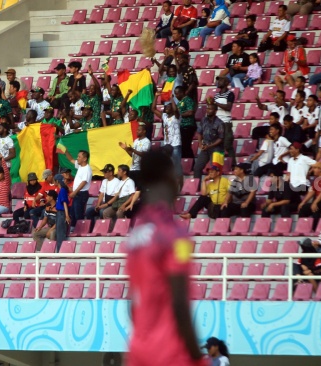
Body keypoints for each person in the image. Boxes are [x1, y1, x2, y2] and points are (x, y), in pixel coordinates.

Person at [125, 150, 203, 366]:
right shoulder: (178, 236)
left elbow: (131, 304)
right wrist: (197, 357)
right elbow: (179, 304)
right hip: (170, 353)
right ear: (171, 177)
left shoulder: (135, 235)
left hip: (138, 351)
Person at [152, 95, 182, 185]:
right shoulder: (164, 116)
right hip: (167, 144)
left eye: (169, 106)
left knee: (176, 165)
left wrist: (172, 99)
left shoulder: (177, 116)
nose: (167, 108)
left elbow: (176, 110)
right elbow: (153, 109)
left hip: (176, 144)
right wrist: (156, 96)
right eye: (166, 107)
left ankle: (180, 184)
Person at [208, 77, 236, 163]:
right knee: (217, 146)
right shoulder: (216, 95)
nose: (218, 82)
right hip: (217, 124)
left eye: (221, 80)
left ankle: (233, 165)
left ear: (227, 82)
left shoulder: (230, 94)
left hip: (225, 123)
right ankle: (218, 165)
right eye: (218, 80)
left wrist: (215, 102)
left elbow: (228, 107)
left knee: (227, 145)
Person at [193, 103, 224, 179]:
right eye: (207, 109)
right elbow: (199, 133)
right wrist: (200, 144)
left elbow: (221, 138)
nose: (208, 110)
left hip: (216, 149)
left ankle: (215, 188)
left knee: (215, 170)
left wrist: (209, 146)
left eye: (210, 109)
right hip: (205, 148)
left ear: (215, 111)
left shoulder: (220, 123)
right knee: (197, 168)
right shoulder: (203, 120)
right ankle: (197, 188)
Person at [176, 85, 197, 159]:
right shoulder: (179, 102)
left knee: (186, 146)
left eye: (177, 93)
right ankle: (186, 162)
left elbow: (191, 112)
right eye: (175, 94)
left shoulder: (188, 100)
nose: (176, 95)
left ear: (182, 93)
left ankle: (191, 163)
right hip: (182, 126)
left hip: (188, 125)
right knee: (183, 146)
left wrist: (181, 115)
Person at [53, 174, 70, 253]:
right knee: (58, 233)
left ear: (57, 181)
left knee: (60, 234)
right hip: (59, 213)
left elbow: (64, 203)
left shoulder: (62, 190)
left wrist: (66, 215)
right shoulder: (61, 190)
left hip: (62, 213)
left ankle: (61, 252)